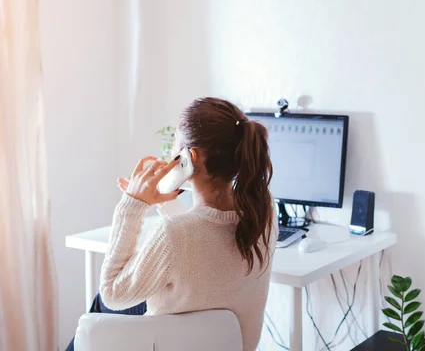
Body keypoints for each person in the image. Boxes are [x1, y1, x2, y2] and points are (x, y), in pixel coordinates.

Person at [66, 97, 276, 351]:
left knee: (102, 302)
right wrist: (163, 203)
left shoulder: (174, 234)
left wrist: (131, 207)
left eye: (176, 147)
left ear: (191, 157)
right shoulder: (263, 216)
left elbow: (113, 293)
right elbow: (198, 241)